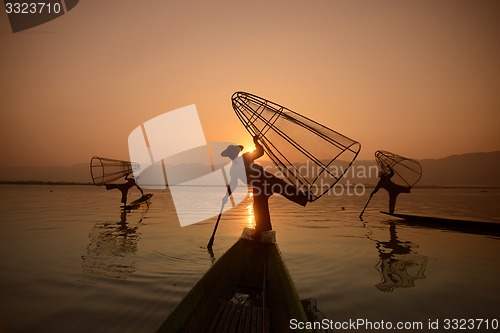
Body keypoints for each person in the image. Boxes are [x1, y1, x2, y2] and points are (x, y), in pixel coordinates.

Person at [221, 135, 309, 238]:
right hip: (258, 186)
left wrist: (256, 142)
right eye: (231, 154)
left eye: (233, 152)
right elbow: (233, 184)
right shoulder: (233, 170)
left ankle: (304, 196)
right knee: (259, 207)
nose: (233, 155)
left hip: (266, 178)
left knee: (284, 188)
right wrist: (226, 196)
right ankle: (263, 229)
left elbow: (260, 152)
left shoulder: (245, 157)